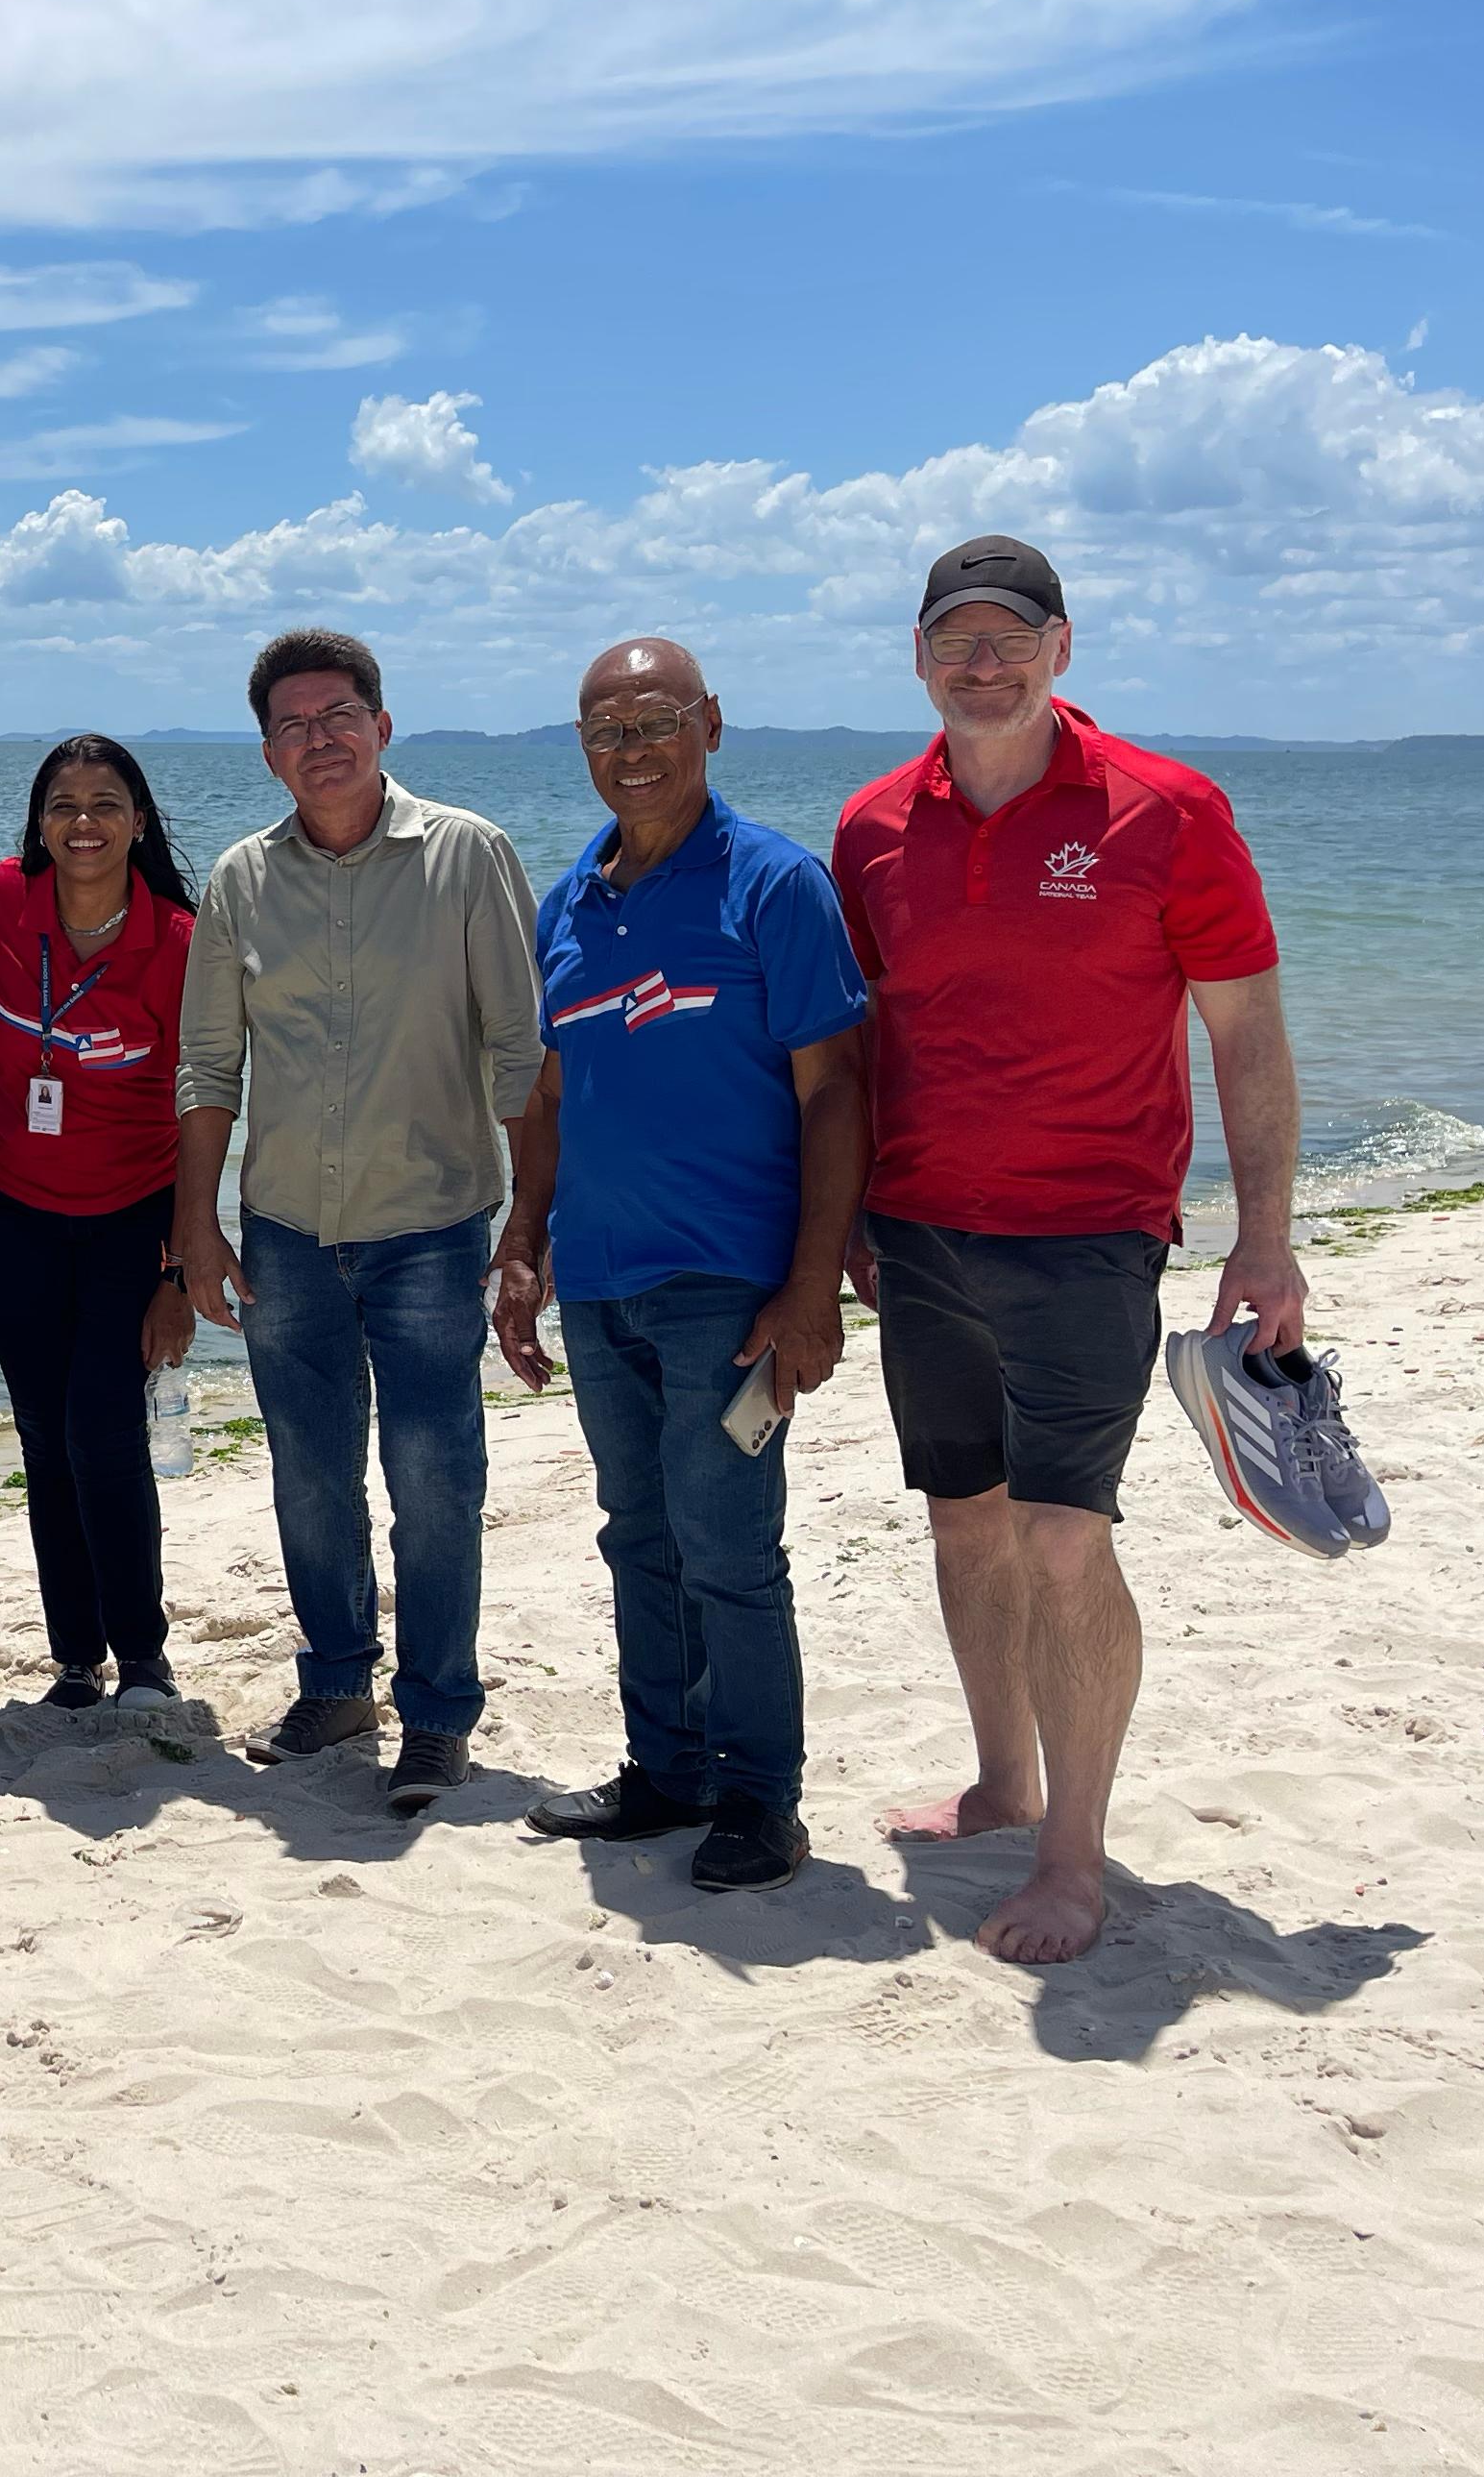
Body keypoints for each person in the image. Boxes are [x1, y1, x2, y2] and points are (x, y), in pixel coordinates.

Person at [834, 536, 1304, 1963]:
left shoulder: (1167, 809)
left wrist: (1264, 1238)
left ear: (1062, 649)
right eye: (956, 642)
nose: (985, 666)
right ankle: (1000, 1781)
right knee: (965, 1517)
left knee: (1059, 1536)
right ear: (919, 659)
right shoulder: (870, 828)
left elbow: (1247, 1032)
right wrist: (841, 1214)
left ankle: (1075, 1859)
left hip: (1091, 1233)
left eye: (1011, 640)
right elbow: (855, 1047)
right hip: (915, 1232)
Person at [493, 642, 867, 1894]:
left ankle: (762, 1798)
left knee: (728, 1545)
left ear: (711, 723)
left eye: (655, 722)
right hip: (600, 1283)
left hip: (729, 1287)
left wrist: (812, 1287)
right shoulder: (567, 906)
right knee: (636, 1535)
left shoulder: (774, 886)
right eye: (604, 730)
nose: (631, 749)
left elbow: (834, 1095)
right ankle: (669, 1770)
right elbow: (548, 1095)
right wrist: (522, 1243)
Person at [178, 630, 545, 1815]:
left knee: (435, 1473)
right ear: (270, 754)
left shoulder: (467, 855)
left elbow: (520, 1050)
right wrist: (196, 1221)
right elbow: (206, 1066)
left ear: (382, 728)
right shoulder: (240, 878)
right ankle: (337, 1682)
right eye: (292, 726)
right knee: (309, 1473)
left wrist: (528, 1229)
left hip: (433, 1221)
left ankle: (438, 1711)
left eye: (337, 716)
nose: (317, 740)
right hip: (283, 1224)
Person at [0, 736, 199, 1710]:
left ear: (140, 820)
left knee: (100, 1430)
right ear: (39, 822)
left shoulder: (180, 940)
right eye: (64, 803)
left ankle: (140, 1649)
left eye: (107, 802)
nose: (85, 821)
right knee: (43, 1432)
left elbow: (205, 1105)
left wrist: (181, 1273)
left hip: (129, 1218)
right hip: (8, 1206)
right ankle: (75, 1655)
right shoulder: (2, 902)